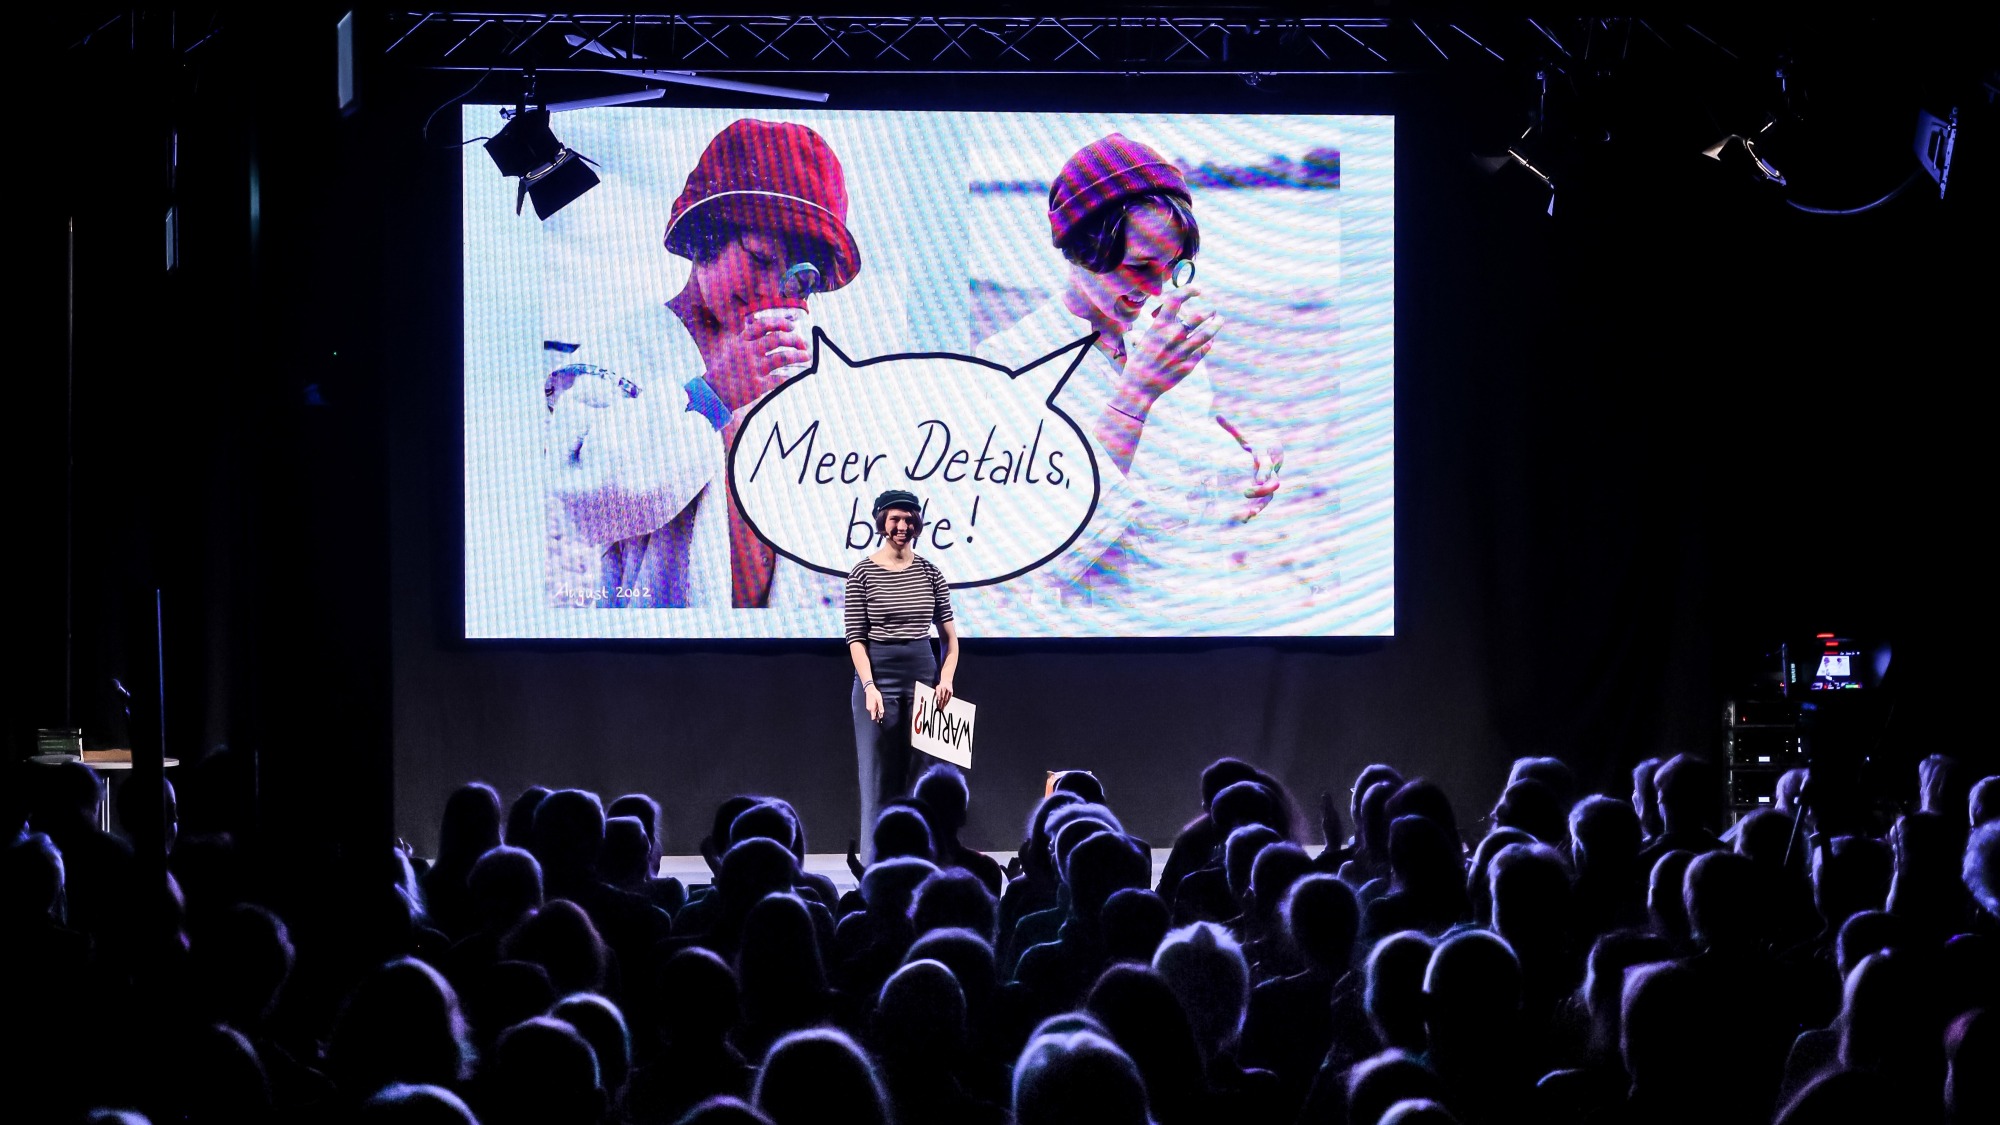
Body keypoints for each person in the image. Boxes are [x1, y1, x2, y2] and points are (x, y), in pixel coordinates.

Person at [548, 117, 862, 608]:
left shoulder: (787, 371)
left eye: (798, 279)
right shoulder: (621, 351)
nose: (771, 290)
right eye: (759, 259)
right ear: (703, 238)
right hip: (666, 653)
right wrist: (713, 396)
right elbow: (588, 508)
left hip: (772, 645)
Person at [973, 133, 1279, 620]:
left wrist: (1242, 466)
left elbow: (1176, 485)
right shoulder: (1007, 364)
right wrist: (1133, 398)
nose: (1157, 287)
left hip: (1208, 616)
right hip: (1102, 642)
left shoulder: (1161, 339)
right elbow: (1035, 556)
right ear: (1078, 248)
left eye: (1174, 266)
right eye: (1139, 266)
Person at [846, 489, 961, 852]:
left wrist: (946, 679)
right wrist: (869, 686)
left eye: (909, 519)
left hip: (924, 674)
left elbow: (949, 639)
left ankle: (928, 857)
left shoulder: (931, 572)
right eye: (895, 518)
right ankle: (875, 864)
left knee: (924, 776)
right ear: (881, 522)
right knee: (879, 779)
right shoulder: (862, 573)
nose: (902, 526)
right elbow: (855, 638)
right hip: (877, 677)